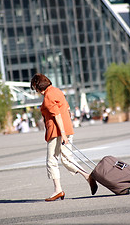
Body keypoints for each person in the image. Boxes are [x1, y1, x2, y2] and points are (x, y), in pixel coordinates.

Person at [30, 73, 97, 202]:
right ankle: (87, 176)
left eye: (34, 87)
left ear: (37, 86)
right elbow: (67, 109)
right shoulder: (57, 91)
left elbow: (57, 116)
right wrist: (66, 131)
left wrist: (63, 134)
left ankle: (58, 190)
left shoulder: (48, 97)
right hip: (67, 129)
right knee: (67, 159)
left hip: (56, 132)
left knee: (51, 160)